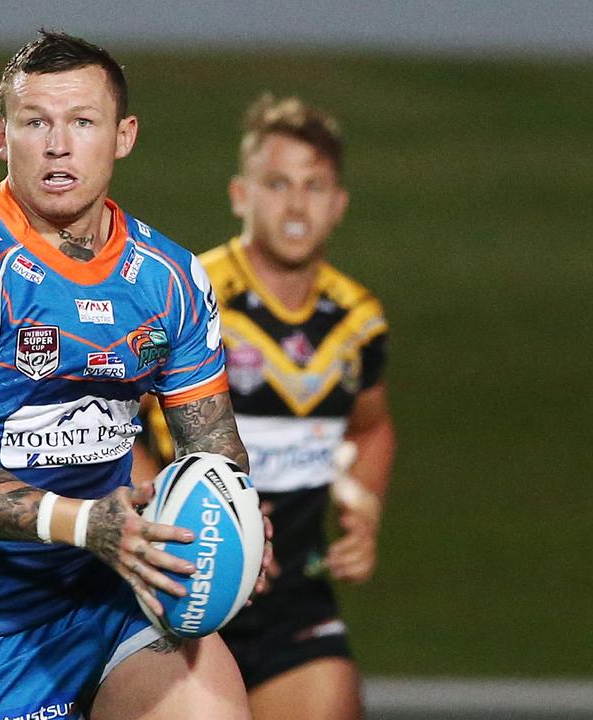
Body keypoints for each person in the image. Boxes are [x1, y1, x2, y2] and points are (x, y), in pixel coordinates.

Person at [0, 30, 261, 720]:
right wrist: (87, 524)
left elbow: (214, 449)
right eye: (35, 123)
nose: (58, 144)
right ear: (2, 137)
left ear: (123, 135)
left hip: (119, 595)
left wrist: (237, 522)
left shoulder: (171, 279)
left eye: (82, 122)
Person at [133, 94, 396, 720]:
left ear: (339, 205)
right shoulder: (191, 297)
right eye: (277, 184)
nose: (296, 204)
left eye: (314, 186)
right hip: (178, 595)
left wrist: (361, 504)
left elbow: (372, 426)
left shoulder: (359, 322)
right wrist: (191, 538)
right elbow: (115, 430)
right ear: (240, 195)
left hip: (294, 608)